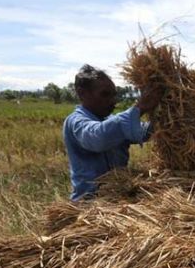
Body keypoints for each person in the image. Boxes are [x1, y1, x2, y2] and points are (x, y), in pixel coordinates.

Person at [63, 64, 162, 201]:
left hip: (117, 198)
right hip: (90, 202)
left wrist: (164, 119)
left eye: (114, 95)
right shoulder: (76, 122)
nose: (113, 101)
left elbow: (143, 131)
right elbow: (98, 138)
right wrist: (139, 108)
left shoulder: (110, 120)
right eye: (105, 94)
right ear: (82, 93)